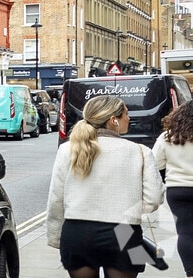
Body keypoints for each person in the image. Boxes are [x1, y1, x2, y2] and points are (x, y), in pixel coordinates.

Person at [48, 95, 165, 278]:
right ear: (113, 120)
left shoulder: (68, 149)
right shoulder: (140, 152)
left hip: (78, 232)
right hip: (124, 231)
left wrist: (56, 237)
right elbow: (154, 199)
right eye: (126, 114)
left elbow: (56, 197)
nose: (129, 118)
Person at [152, 103, 193, 276]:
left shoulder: (167, 137)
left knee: (185, 232)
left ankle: (191, 272)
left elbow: (155, 162)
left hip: (178, 190)